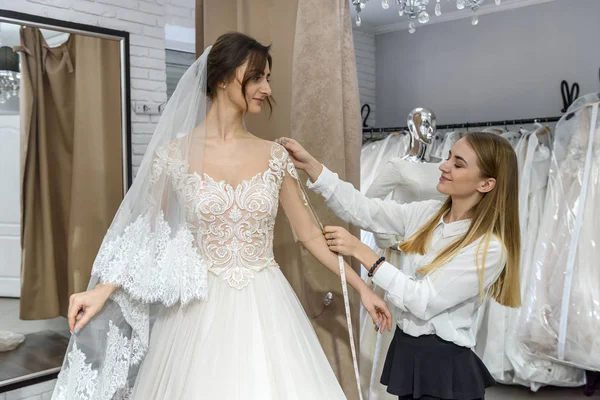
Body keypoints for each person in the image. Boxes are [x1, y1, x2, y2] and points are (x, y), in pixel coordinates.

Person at [51, 32, 392, 400]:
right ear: (222, 77)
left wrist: (363, 288)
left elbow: (310, 237)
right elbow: (149, 236)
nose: (267, 88)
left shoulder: (274, 157)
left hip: (266, 309)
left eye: (268, 78)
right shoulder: (173, 156)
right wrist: (102, 290)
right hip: (195, 312)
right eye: (258, 76)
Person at [277, 132, 522, 400]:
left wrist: (362, 252)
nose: (443, 165)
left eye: (458, 163)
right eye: (449, 156)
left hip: (444, 367)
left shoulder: (488, 248)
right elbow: (363, 209)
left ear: (486, 184)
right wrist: (312, 165)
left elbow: (423, 300)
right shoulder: (426, 214)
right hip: (408, 351)